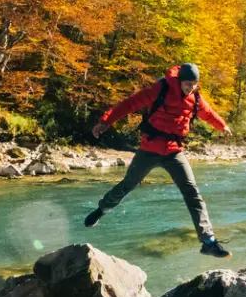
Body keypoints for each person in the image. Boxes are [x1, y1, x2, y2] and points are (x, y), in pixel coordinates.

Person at [85, 63, 233, 257]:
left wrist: (222, 126)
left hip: (174, 153)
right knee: (128, 184)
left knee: (192, 193)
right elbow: (129, 104)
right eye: (188, 83)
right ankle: (102, 209)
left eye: (194, 84)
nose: (191, 87)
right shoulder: (160, 89)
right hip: (149, 150)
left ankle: (208, 241)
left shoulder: (195, 97)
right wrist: (105, 121)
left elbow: (208, 113)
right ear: (180, 81)